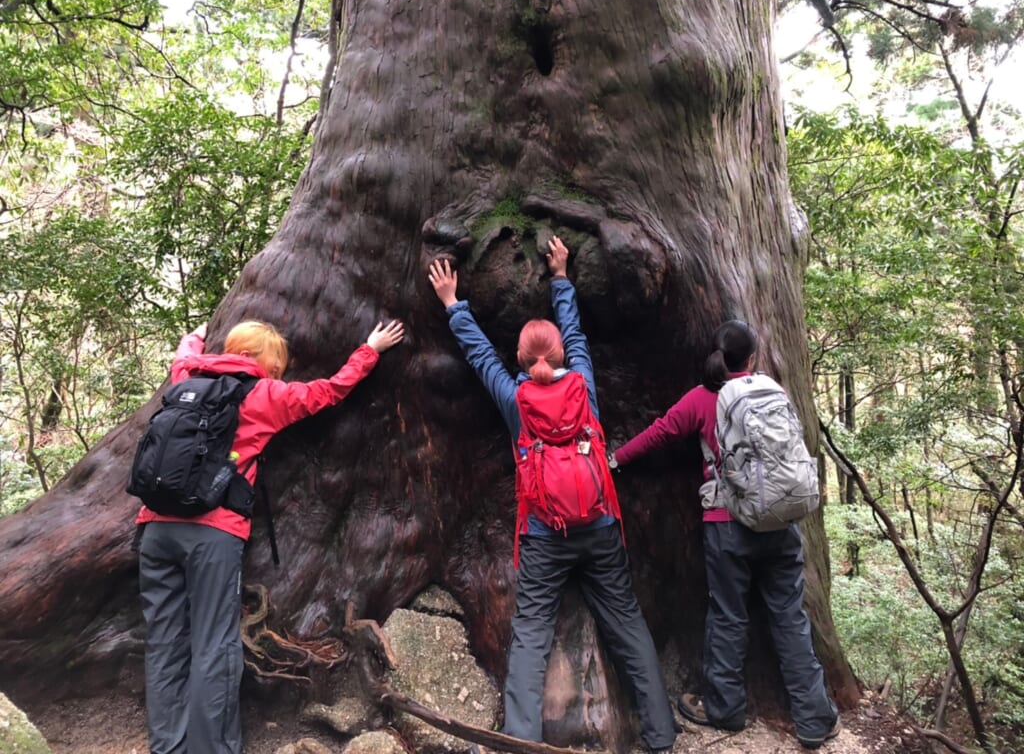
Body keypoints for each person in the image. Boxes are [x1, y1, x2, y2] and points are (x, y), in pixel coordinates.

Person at [428, 238, 676, 754]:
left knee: (531, 636)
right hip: (601, 524)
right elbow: (578, 333)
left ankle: (524, 743)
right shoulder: (584, 385)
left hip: (544, 533)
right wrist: (561, 276)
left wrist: (453, 303)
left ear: (519, 357)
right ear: (562, 353)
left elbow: (478, 355)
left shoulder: (515, 399)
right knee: (627, 624)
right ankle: (661, 734)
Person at [136, 317, 404, 754]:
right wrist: (370, 349)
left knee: (165, 639)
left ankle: (167, 746)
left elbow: (182, 354)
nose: (277, 372)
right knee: (214, 644)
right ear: (264, 362)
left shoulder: (188, 376)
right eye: (275, 364)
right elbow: (330, 390)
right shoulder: (265, 394)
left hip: (154, 528)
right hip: (213, 533)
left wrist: (198, 333)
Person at [610, 319, 840, 750]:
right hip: (779, 522)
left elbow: (660, 432)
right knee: (789, 617)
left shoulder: (701, 401)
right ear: (752, 358)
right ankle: (813, 718)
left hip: (727, 526)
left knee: (729, 616)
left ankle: (726, 708)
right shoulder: (772, 391)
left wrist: (615, 460)